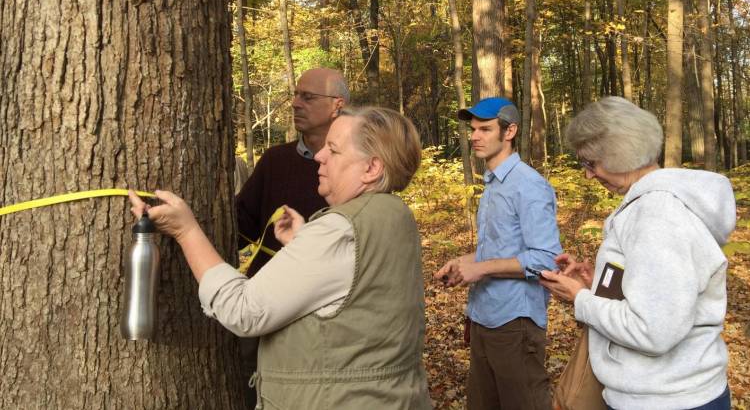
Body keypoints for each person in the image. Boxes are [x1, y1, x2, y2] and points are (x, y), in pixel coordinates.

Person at [129, 106, 431, 409]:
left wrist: (187, 232)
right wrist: (304, 243)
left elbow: (243, 311)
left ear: (371, 168)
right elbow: (359, 295)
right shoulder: (393, 214)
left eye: (334, 150)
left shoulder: (339, 231)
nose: (319, 156)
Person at [540, 96, 735, 410]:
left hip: (668, 399)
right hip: (664, 393)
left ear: (619, 155)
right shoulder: (654, 206)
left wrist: (580, 299)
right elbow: (659, 295)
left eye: (591, 163)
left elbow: (653, 332)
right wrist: (599, 284)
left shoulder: (657, 215)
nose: (588, 175)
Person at [434, 97, 562, 410]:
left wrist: (484, 268)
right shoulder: (493, 183)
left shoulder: (529, 185)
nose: (475, 136)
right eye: (473, 129)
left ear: (510, 131)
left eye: (485, 129)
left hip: (514, 322)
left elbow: (546, 259)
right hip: (483, 317)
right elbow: (499, 248)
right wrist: (465, 263)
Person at [236, 67, 349, 276]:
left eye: (307, 97)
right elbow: (238, 228)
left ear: (337, 105)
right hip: (265, 296)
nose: (295, 104)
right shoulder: (274, 161)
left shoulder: (355, 170)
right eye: (295, 96)